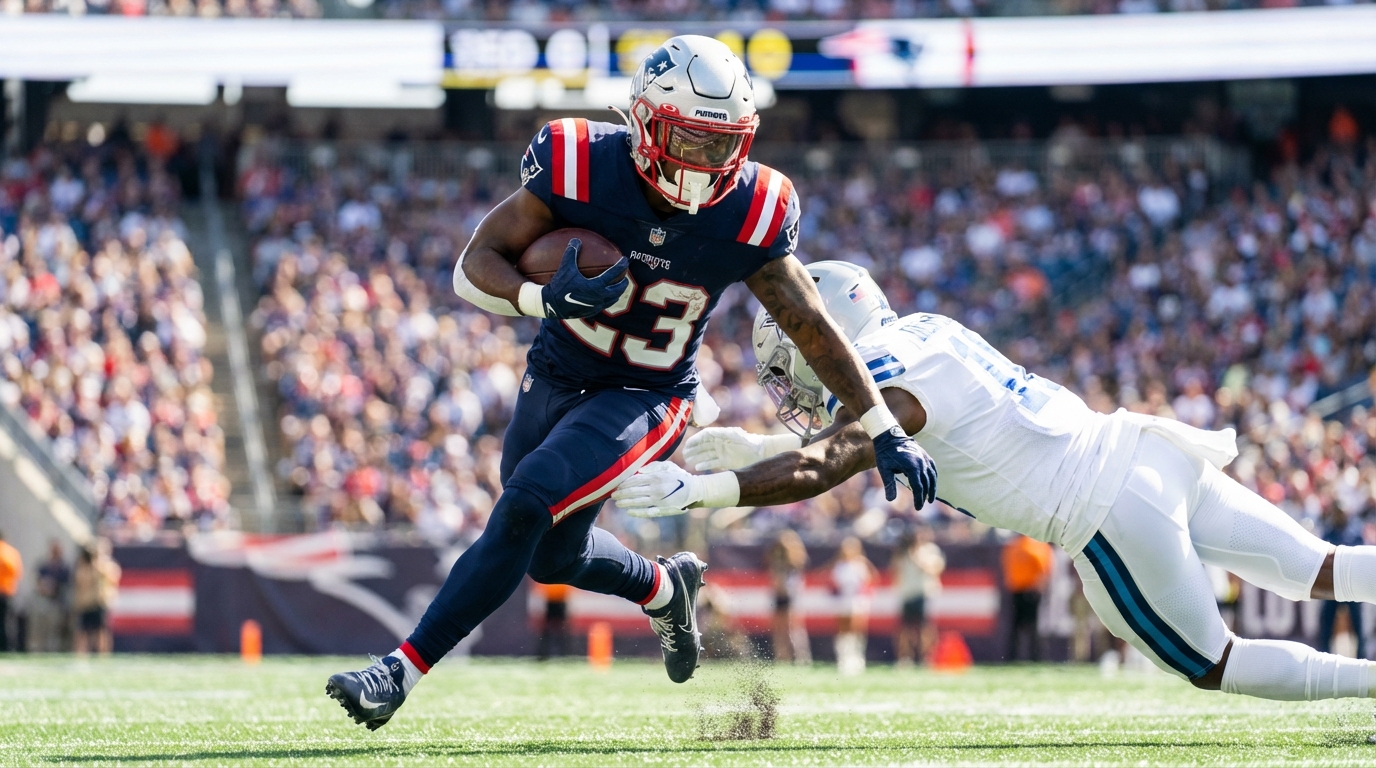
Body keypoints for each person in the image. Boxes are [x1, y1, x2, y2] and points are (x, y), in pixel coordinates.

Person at [326, 38, 938, 731]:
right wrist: (540, 300)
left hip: (650, 392)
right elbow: (474, 267)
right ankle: (663, 586)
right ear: (646, 121)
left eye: (723, 144)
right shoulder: (579, 162)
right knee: (551, 554)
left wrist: (882, 427)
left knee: (526, 505)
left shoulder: (752, 206)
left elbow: (809, 322)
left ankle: (397, 671)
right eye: (692, 140)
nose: (708, 163)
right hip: (557, 370)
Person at [615, 259, 1376, 704]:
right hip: (1144, 448)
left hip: (1105, 509)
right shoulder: (926, 329)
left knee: (1211, 662)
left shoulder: (892, 376)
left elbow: (838, 456)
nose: (796, 379)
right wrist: (752, 445)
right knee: (1320, 567)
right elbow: (898, 426)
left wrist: (713, 492)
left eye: (797, 353)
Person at [1318, 505, 1366, 659]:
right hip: (1332, 586)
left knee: (1357, 624)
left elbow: (1361, 557)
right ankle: (1324, 656)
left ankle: (1361, 657)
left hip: (1352, 586)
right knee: (1326, 622)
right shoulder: (1328, 532)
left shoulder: (1355, 532)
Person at [893, 528, 944, 667]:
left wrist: (917, 557)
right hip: (907, 593)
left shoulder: (930, 550)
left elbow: (935, 569)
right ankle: (905, 658)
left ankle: (926, 658)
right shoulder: (903, 553)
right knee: (905, 629)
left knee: (925, 628)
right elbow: (895, 569)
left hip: (924, 593)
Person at [1002, 534, 1053, 662]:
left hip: (1022, 590)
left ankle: (1015, 657)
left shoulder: (1013, 546)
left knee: (1019, 627)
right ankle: (1033, 657)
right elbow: (1045, 570)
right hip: (1028, 590)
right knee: (1031, 627)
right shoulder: (1036, 546)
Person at [831, 536, 876, 675]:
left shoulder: (860, 564)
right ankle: (843, 658)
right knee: (843, 630)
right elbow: (835, 583)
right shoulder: (839, 565)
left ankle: (857, 658)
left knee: (857, 630)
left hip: (857, 601)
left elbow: (870, 580)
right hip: (844, 600)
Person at [766, 529, 810, 664]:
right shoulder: (776, 559)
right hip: (779, 596)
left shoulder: (795, 559)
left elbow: (795, 574)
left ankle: (800, 657)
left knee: (793, 628)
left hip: (791, 596)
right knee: (779, 629)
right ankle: (782, 657)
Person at [72, 542, 120, 657]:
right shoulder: (83, 568)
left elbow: (112, 578)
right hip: (85, 603)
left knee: (101, 631)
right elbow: (80, 581)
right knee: (82, 631)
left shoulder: (107, 566)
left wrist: (99, 564)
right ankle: (81, 656)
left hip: (100, 602)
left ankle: (103, 656)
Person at [534, 582, 571, 661]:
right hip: (551, 603)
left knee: (561, 632)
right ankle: (543, 655)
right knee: (548, 632)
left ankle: (563, 655)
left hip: (560, 602)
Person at [0, 530, 22, 652]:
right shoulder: (12, 552)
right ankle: (7, 646)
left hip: (3, 591)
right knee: (7, 622)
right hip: (8, 592)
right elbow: (17, 573)